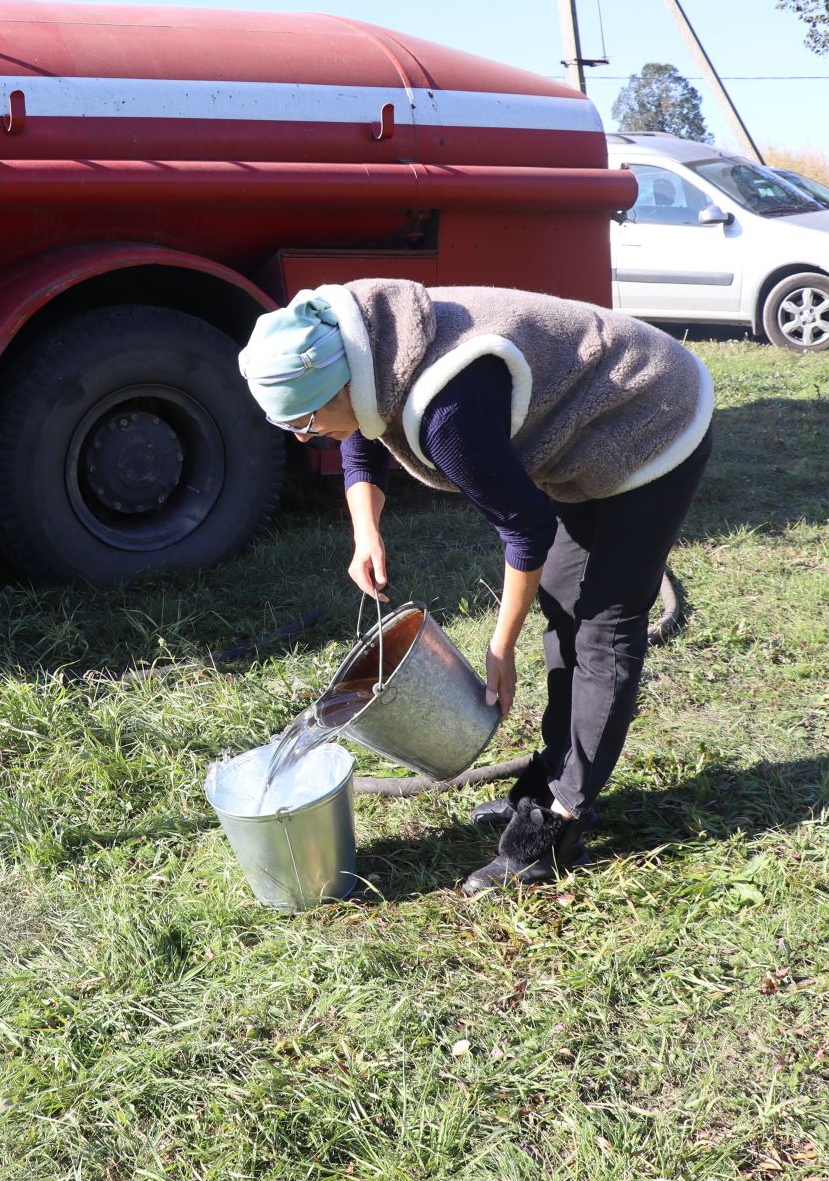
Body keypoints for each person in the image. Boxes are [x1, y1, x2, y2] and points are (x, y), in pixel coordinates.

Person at [237, 281, 713, 895]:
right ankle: (551, 780)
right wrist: (366, 530)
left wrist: (499, 647)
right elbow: (361, 429)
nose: (303, 437)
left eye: (304, 422)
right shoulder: (358, 346)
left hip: (648, 412)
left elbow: (526, 529)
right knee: (564, 602)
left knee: (601, 627)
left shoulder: (446, 414)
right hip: (590, 417)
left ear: (339, 384)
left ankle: (557, 827)